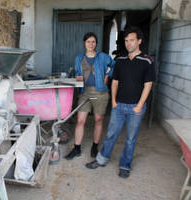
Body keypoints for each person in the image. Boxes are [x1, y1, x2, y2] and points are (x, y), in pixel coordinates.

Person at [85, 27, 155, 178]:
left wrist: (139, 105)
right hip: (119, 106)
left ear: (139, 41)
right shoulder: (120, 61)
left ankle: (125, 165)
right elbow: (115, 82)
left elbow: (148, 85)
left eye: (132, 40)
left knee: (130, 139)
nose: (128, 43)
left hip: (136, 107)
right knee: (110, 134)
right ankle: (101, 159)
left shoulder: (147, 61)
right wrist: (114, 102)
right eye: (126, 41)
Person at [65, 32, 115, 160]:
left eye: (93, 41)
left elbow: (114, 66)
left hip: (101, 92)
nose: (91, 44)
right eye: (88, 41)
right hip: (85, 92)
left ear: (96, 43)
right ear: (84, 43)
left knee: (99, 120)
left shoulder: (103, 57)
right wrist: (77, 77)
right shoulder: (79, 58)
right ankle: (77, 148)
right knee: (80, 120)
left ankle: (95, 146)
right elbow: (77, 73)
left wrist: (107, 75)